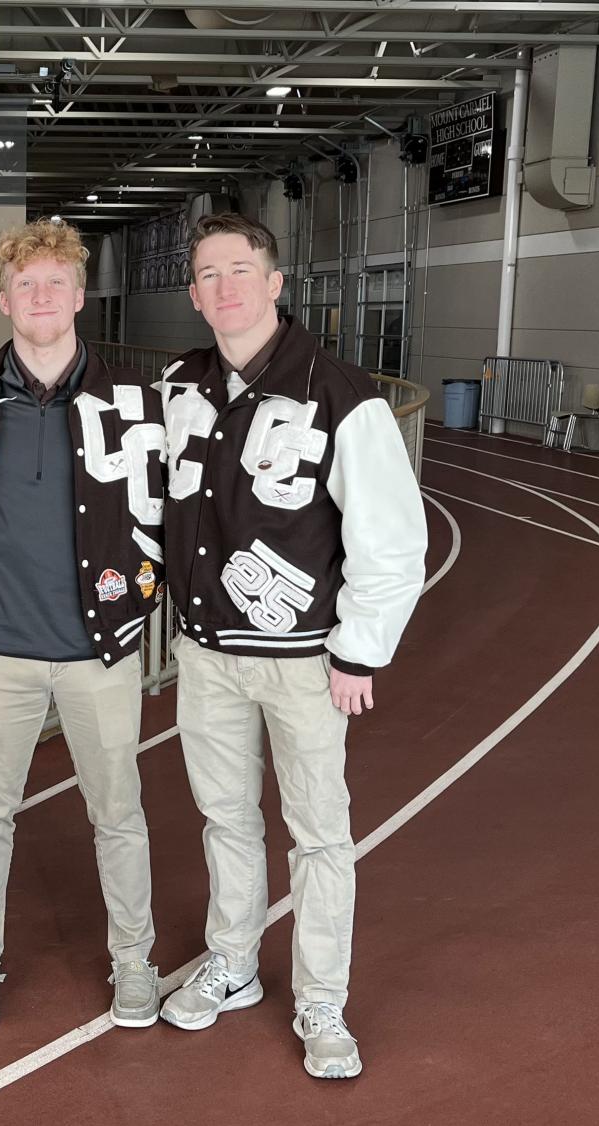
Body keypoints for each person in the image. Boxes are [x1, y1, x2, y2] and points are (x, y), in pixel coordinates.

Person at [153, 212, 426, 1080]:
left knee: (317, 835)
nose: (224, 286)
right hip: (206, 653)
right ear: (194, 296)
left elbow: (390, 538)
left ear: (275, 284)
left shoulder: (343, 395)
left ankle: (321, 1001)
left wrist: (358, 652)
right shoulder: (178, 386)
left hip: (303, 659)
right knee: (224, 819)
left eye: (241, 269)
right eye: (207, 274)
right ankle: (231, 963)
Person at [0, 219, 166, 1028]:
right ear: (5, 300)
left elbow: (179, 506)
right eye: (25, 285)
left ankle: (134, 962)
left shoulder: (139, 401)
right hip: (0, 648)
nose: (41, 296)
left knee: (118, 813)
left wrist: (144, 594)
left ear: (78, 295)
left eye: (55, 283)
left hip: (99, 649)